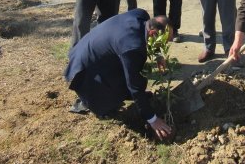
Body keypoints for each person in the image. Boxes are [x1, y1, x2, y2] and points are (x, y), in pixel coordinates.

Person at [64, 9, 173, 140]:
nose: (165, 44)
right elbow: (134, 86)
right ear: (153, 33)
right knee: (117, 96)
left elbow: (148, 39)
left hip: (88, 54)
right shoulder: (132, 46)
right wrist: (153, 119)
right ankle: (93, 100)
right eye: (164, 41)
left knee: (133, 74)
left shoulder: (141, 15)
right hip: (84, 71)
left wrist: (157, 54)